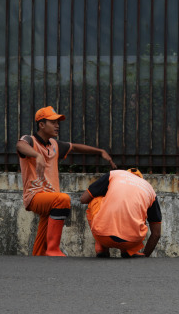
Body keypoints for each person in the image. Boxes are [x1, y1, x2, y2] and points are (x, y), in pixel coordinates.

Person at [16, 106, 117, 256]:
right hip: (35, 196)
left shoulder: (55, 145)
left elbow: (75, 147)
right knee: (63, 199)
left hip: (51, 200)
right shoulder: (30, 140)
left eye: (58, 122)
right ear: (41, 124)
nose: (57, 125)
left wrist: (100, 151)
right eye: (53, 122)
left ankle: (40, 257)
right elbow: (20, 145)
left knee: (40, 249)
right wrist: (37, 156)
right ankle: (53, 249)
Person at [80, 168, 161, 258]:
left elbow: (83, 199)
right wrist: (145, 255)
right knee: (140, 212)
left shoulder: (114, 174)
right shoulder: (150, 190)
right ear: (140, 179)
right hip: (132, 241)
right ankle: (129, 250)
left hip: (103, 236)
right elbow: (156, 234)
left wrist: (105, 195)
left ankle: (102, 248)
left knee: (95, 199)